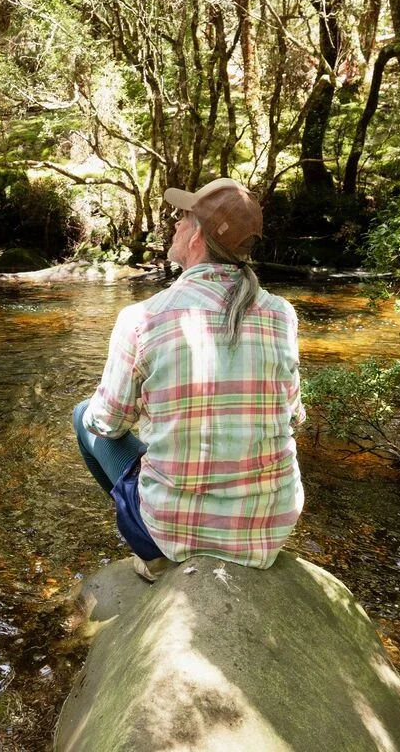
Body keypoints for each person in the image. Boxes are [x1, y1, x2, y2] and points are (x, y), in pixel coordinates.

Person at [71, 178, 305, 580]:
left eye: (183, 217)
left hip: (174, 531)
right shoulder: (282, 314)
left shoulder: (143, 318)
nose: (175, 224)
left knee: (82, 415)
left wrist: (142, 411)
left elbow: (106, 424)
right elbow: (293, 417)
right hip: (269, 529)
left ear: (196, 236)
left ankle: (154, 552)